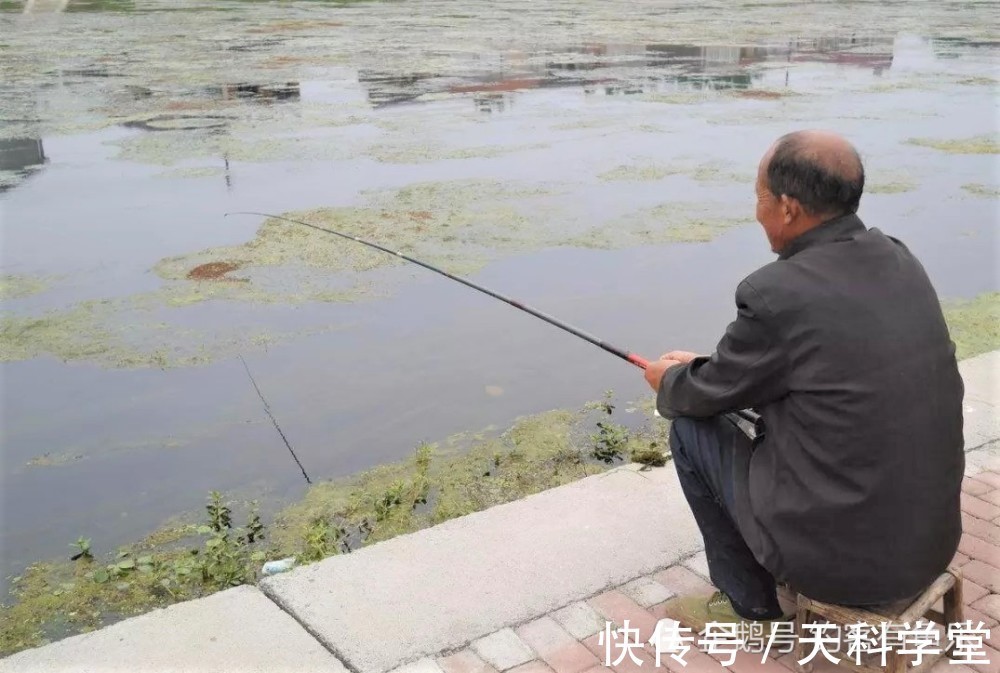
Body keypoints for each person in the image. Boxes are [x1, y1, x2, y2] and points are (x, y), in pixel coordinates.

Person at [643, 130, 965, 622]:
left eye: (759, 197)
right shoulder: (901, 259)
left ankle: (750, 606)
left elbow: (698, 397)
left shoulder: (775, 292)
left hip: (844, 567)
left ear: (788, 208)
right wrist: (710, 370)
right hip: (930, 544)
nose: (757, 211)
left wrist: (669, 378)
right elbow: (810, 365)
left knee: (690, 430)